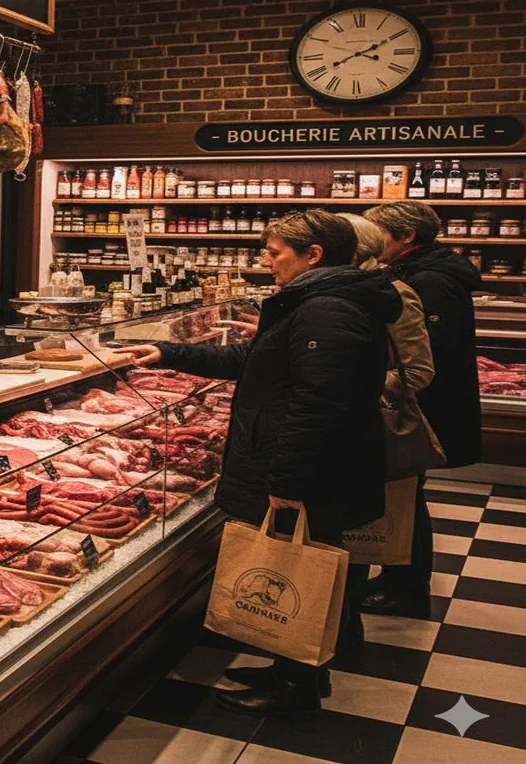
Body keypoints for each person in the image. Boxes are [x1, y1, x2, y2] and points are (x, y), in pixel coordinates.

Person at [117, 210, 401, 715]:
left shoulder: (326, 309)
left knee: (299, 565)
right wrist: (167, 352)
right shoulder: (318, 301)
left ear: (313, 255)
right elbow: (250, 363)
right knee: (305, 561)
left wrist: (288, 481)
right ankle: (300, 670)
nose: (265, 262)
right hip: (319, 464)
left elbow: (319, 403)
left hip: (313, 470)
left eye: (274, 253)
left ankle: (296, 688)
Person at [362, 201, 482, 616]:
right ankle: (397, 577)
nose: (373, 242)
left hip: (422, 408)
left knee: (408, 496)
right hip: (417, 404)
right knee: (405, 495)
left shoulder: (430, 280)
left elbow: (427, 356)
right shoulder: (421, 271)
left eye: (378, 233)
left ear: (406, 236)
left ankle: (408, 587)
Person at [340, 213, 440, 613]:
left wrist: (347, 389)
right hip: (346, 425)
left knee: (391, 511)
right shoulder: (340, 289)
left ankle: (405, 588)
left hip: (376, 425)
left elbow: (418, 370)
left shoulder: (393, 292)